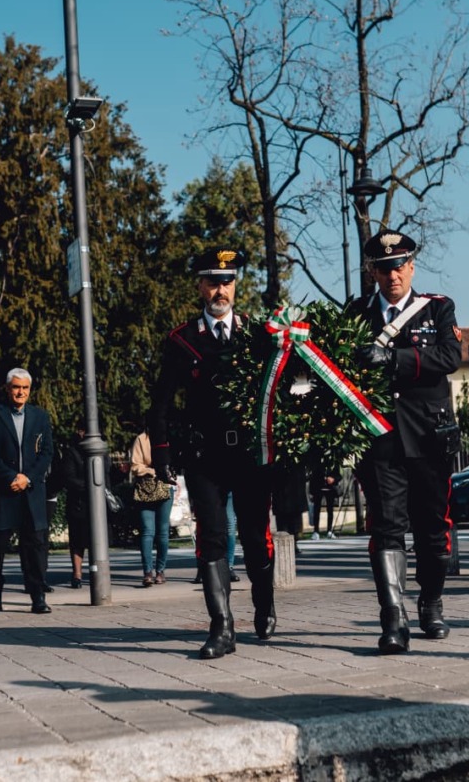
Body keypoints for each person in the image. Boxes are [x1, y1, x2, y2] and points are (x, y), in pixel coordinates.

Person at [148, 248, 277, 659]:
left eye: (228, 281)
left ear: (236, 285)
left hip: (251, 457)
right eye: (212, 281)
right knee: (212, 536)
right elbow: (161, 404)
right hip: (206, 457)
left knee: (257, 537)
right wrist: (164, 455)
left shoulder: (259, 334)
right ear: (200, 286)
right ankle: (222, 627)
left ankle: (264, 603)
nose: (220, 289)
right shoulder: (182, 340)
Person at [347, 229, 461, 654]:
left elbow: (449, 357)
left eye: (400, 265)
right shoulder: (357, 314)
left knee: (433, 532)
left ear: (411, 266)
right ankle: (393, 617)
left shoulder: (438, 308)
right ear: (373, 271)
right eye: (384, 267)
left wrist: (394, 359)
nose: (393, 274)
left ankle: (430, 600)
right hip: (380, 440)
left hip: (430, 438)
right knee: (387, 527)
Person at [0, 368, 55, 614]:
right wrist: (11, 477)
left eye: (25, 388)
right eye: (16, 387)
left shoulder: (40, 416)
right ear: (7, 388)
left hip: (31, 492)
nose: (20, 392)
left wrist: (28, 478)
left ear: (30, 390)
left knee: (33, 547)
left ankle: (37, 596)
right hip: (2, 491)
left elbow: (46, 453)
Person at [131, 431, 173, 586]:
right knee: (147, 531)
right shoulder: (142, 439)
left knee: (162, 532)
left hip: (164, 486)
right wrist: (153, 471)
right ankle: (147, 572)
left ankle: (160, 571)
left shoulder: (168, 437)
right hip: (145, 489)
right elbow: (136, 466)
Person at [54, 419, 90, 589]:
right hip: (78, 503)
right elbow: (68, 478)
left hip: (95, 503)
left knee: (96, 539)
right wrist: (89, 486)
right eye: (82, 430)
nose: (83, 434)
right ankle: (77, 573)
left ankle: (97, 570)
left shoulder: (99, 450)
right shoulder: (72, 452)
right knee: (77, 540)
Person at [309, 467, 340, 540]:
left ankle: (329, 530)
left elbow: (339, 475)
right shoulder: (317, 461)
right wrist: (311, 490)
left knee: (330, 510)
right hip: (318, 487)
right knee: (316, 509)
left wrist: (333, 479)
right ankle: (316, 531)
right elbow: (312, 475)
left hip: (330, 488)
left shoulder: (333, 460)